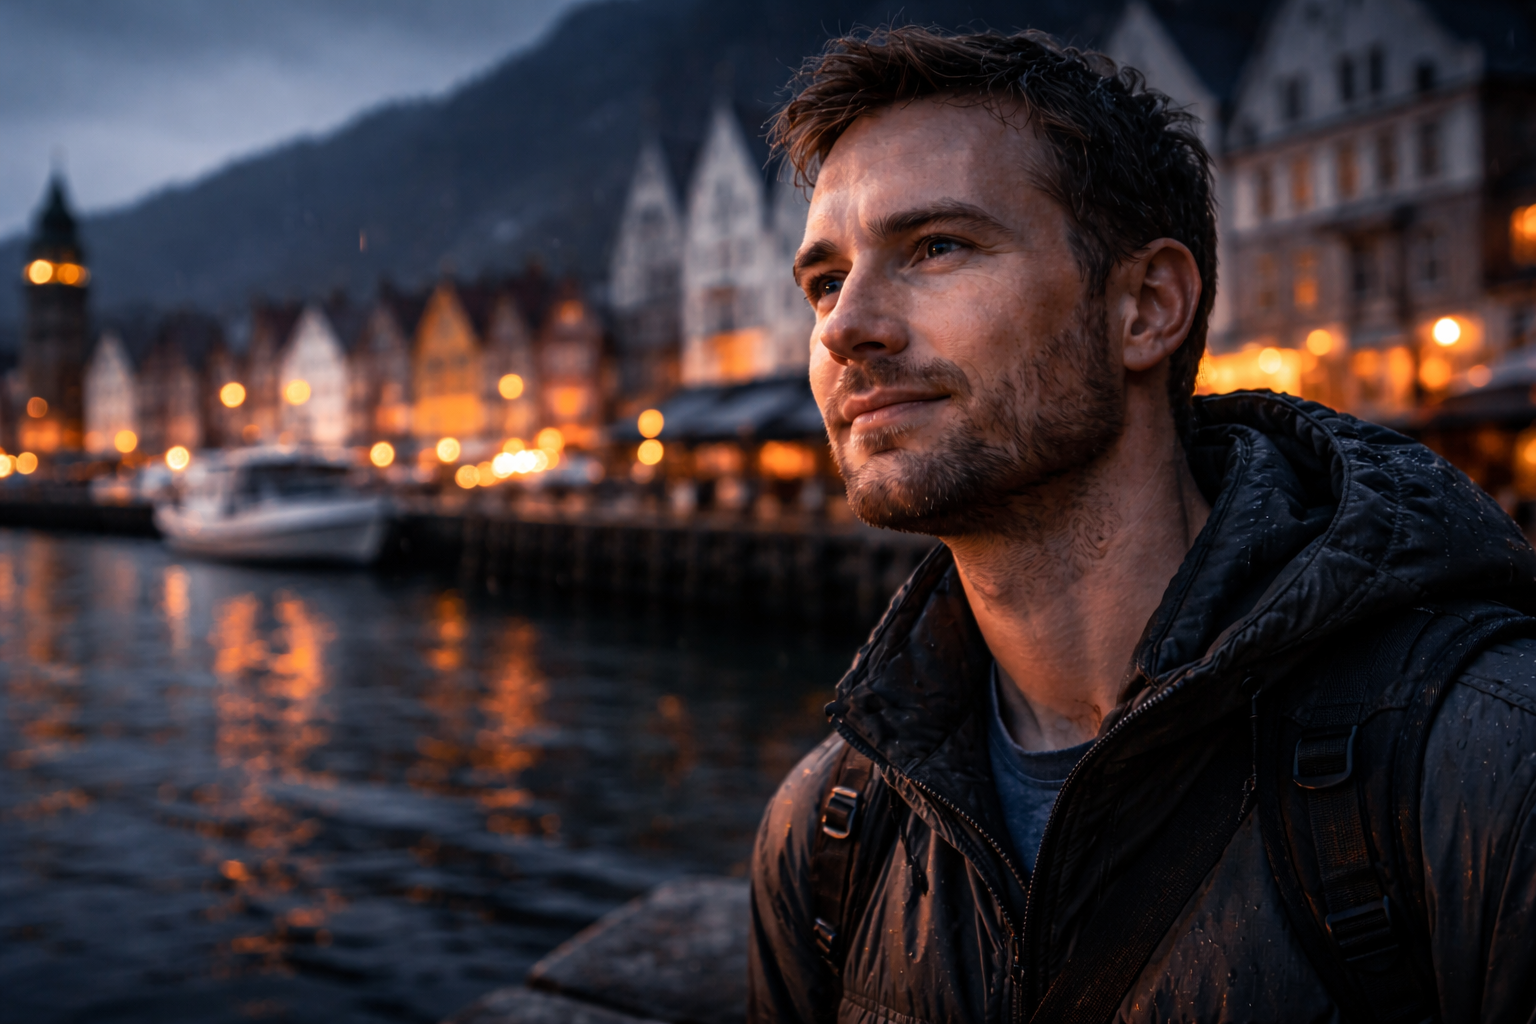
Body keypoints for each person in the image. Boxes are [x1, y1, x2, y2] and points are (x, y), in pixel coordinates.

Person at [749, 25, 1536, 1024]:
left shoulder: (1479, 757)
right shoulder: (827, 834)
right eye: (824, 280)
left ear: (1146, 307)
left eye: (937, 247)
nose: (843, 326)